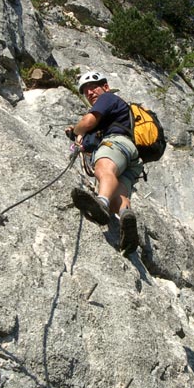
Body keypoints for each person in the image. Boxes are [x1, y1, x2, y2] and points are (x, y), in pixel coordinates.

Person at [65, 70, 143, 254]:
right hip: (131, 158)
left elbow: (88, 121)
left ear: (105, 87)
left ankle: (101, 202)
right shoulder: (111, 113)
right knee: (118, 197)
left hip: (117, 143)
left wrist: (75, 130)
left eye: (93, 88)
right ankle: (126, 217)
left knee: (103, 168)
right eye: (86, 92)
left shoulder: (107, 99)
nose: (90, 93)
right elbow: (92, 138)